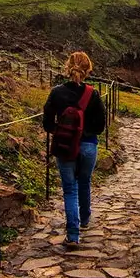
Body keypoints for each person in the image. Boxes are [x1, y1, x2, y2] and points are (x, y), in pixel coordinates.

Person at [42, 51, 106, 248]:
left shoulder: (57, 92)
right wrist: (84, 132)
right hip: (88, 145)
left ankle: (73, 235)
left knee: (69, 189)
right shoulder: (92, 94)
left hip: (65, 146)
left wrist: (61, 132)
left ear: (68, 68)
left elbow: (46, 122)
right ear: (87, 70)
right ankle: (85, 219)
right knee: (85, 181)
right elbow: (100, 126)